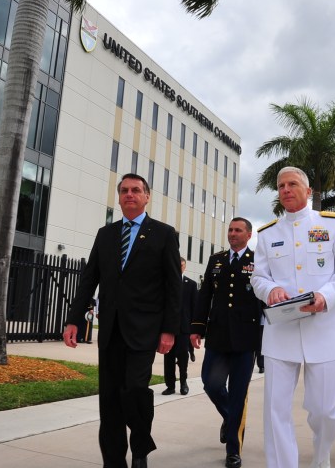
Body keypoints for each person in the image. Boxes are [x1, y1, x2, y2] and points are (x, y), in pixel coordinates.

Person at [63, 173, 181, 468]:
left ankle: (139, 449)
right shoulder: (106, 235)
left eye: (136, 190)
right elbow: (89, 280)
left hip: (144, 332)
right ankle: (113, 461)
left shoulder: (164, 234)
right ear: (119, 197)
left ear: (147, 196)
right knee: (110, 401)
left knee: (135, 391)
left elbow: (173, 287)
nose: (130, 194)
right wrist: (73, 320)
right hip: (111, 331)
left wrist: (169, 330)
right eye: (125, 191)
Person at [251, 166, 335, 468]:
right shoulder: (267, 234)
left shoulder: (334, 226)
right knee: (276, 411)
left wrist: (326, 295)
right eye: (281, 185)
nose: (285, 189)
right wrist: (270, 289)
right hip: (281, 333)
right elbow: (258, 277)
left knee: (325, 410)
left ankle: (321, 456)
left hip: (325, 330)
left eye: (292, 184)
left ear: (309, 191)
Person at [190, 217, 262, 468]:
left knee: (238, 393)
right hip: (218, 335)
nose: (232, 234)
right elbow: (205, 294)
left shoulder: (258, 261)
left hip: (246, 337)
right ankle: (230, 417)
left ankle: (234, 449)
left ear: (249, 234)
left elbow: (263, 300)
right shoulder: (217, 259)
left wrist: (264, 338)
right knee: (211, 383)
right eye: (230, 230)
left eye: (238, 230)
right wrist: (197, 327)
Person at [162, 257, 197, 396]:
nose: (179, 268)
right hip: (168, 328)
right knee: (168, 358)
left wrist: (194, 329)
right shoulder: (166, 283)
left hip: (184, 328)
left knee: (183, 357)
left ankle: (183, 382)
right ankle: (170, 385)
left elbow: (194, 307)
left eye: (182, 266)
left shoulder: (191, 284)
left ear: (185, 267)